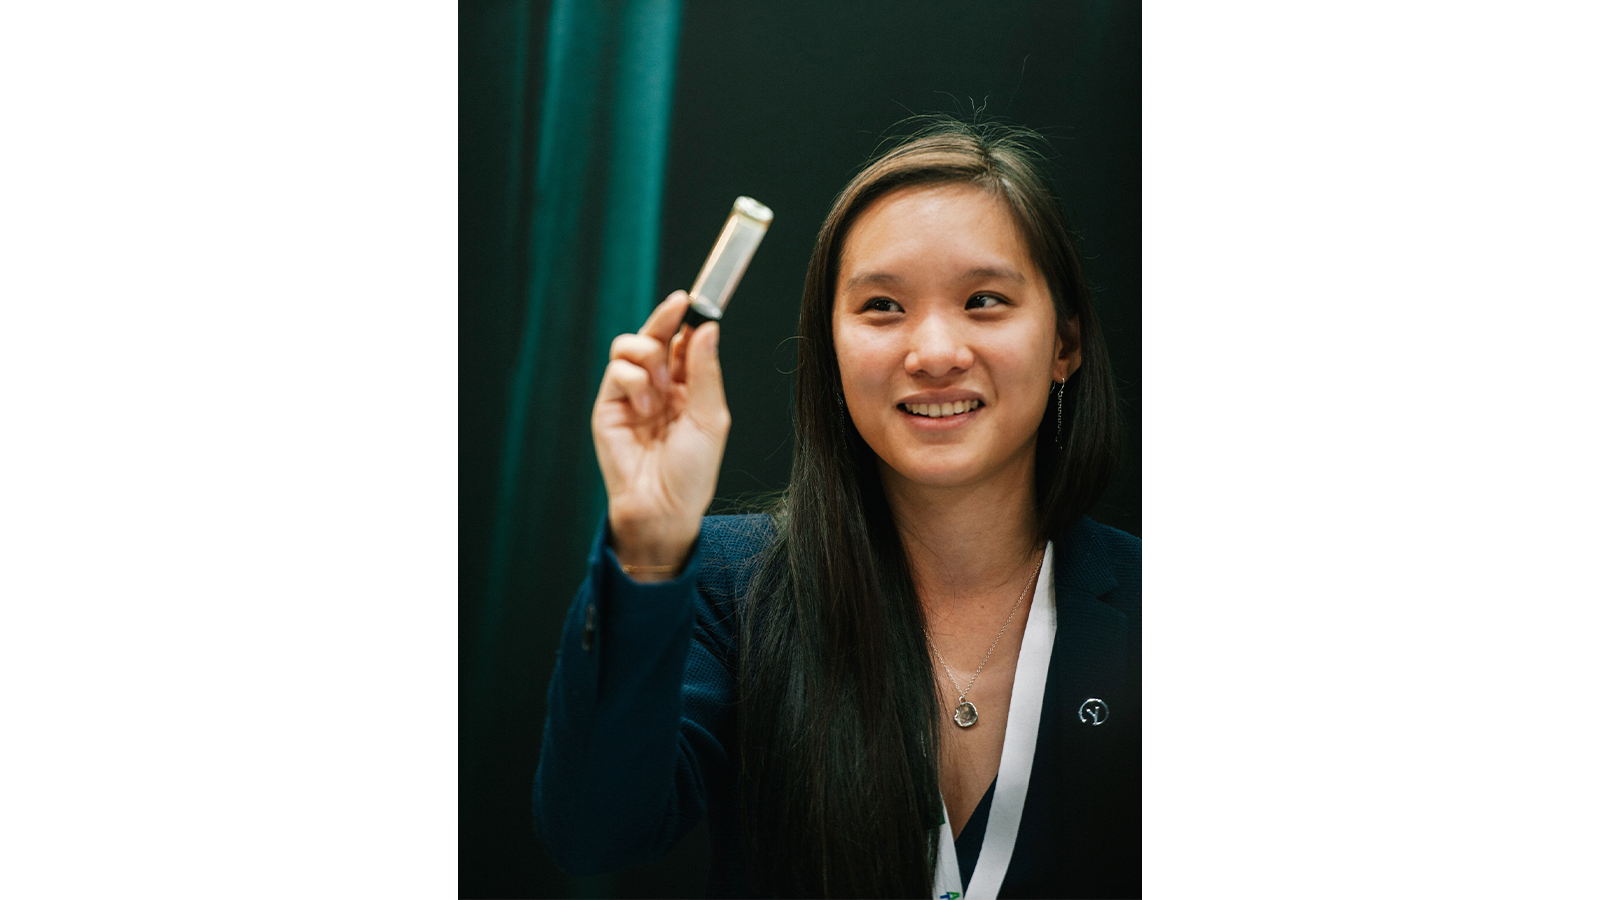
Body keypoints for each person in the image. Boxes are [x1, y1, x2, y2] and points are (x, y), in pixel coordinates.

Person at [533, 118, 1140, 900]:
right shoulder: (730, 586)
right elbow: (594, 832)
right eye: (883, 307)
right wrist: (650, 545)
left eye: (984, 300)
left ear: (1065, 343)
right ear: (832, 348)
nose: (933, 352)